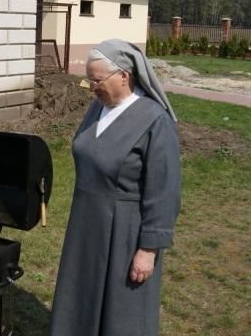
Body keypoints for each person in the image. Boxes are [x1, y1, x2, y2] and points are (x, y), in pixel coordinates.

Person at [49, 39, 181, 336]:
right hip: (86, 223)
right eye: (89, 80)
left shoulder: (154, 121)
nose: (92, 88)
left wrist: (148, 249)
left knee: (123, 308)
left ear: (124, 75)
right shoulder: (98, 109)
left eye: (97, 80)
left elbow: (165, 192)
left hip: (126, 231)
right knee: (81, 296)